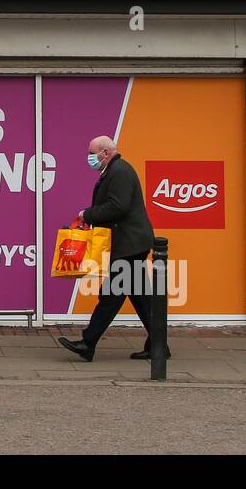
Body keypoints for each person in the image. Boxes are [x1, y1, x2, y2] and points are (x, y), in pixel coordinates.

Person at [57, 135, 169, 362]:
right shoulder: (115, 171)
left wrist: (87, 214)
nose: (89, 157)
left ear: (105, 153)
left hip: (129, 244)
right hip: (131, 243)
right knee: (142, 297)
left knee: (111, 295)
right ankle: (159, 345)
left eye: (92, 153)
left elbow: (118, 206)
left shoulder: (120, 172)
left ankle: (88, 343)